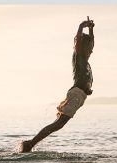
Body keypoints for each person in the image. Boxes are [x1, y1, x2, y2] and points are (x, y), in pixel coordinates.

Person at [19, 18, 95, 152]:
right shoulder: (79, 58)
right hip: (76, 94)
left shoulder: (86, 62)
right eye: (89, 48)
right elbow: (78, 41)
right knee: (58, 124)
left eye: (91, 48)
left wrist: (91, 29)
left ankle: (30, 143)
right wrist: (81, 27)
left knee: (58, 124)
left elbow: (91, 42)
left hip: (80, 95)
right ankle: (30, 144)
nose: (91, 50)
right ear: (82, 47)